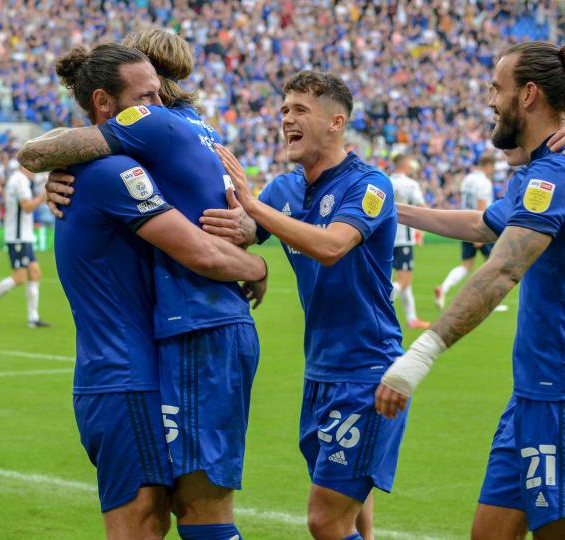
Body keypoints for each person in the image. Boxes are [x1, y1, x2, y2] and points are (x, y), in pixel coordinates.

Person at [375, 41, 565, 538]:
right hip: (550, 389)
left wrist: (418, 355)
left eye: (497, 88)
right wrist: (392, 210)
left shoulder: (556, 174)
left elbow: (503, 269)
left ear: (528, 95)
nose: (490, 99)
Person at [19, 30, 263, 539]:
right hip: (123, 376)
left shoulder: (119, 159)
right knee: (154, 526)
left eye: (159, 93)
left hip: (145, 366)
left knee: (180, 517)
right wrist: (258, 267)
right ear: (104, 102)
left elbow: (41, 151)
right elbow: (198, 250)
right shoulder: (116, 169)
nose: (157, 106)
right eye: (145, 97)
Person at [211, 70, 407, 540]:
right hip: (320, 369)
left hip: (366, 369)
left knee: (324, 521)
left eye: (300, 110)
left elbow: (332, 245)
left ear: (336, 122)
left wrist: (256, 209)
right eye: (284, 110)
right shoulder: (284, 189)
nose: (287, 119)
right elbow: (240, 231)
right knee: (345, 501)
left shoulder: (370, 184)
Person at [0, 162, 51, 329]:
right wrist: (44, 196)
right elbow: (27, 207)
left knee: (35, 272)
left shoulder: (20, 179)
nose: (35, 172)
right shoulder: (19, 180)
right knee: (19, 278)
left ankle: (33, 318)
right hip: (17, 237)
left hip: (24, 236)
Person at [434, 154, 495, 310]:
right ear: (488, 165)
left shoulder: (467, 179)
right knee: (493, 264)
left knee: (466, 265)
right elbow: (482, 205)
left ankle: (444, 288)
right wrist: (481, 233)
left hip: (465, 224)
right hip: (480, 226)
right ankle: (484, 299)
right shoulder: (483, 182)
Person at [388, 154, 429, 329]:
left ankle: (412, 318)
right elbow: (422, 207)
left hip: (387, 237)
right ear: (405, 164)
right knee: (403, 280)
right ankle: (377, 302)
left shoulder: (386, 181)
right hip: (403, 238)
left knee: (405, 281)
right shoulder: (410, 184)